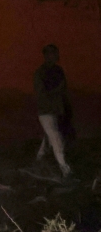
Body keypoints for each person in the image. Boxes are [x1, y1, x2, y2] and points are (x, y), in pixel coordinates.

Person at [34, 44, 73, 178]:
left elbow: (63, 90)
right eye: (53, 53)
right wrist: (57, 90)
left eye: (56, 53)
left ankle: (38, 162)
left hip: (56, 111)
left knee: (48, 139)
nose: (56, 56)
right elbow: (42, 93)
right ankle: (65, 170)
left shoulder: (58, 70)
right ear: (46, 55)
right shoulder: (40, 72)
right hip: (46, 112)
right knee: (56, 139)